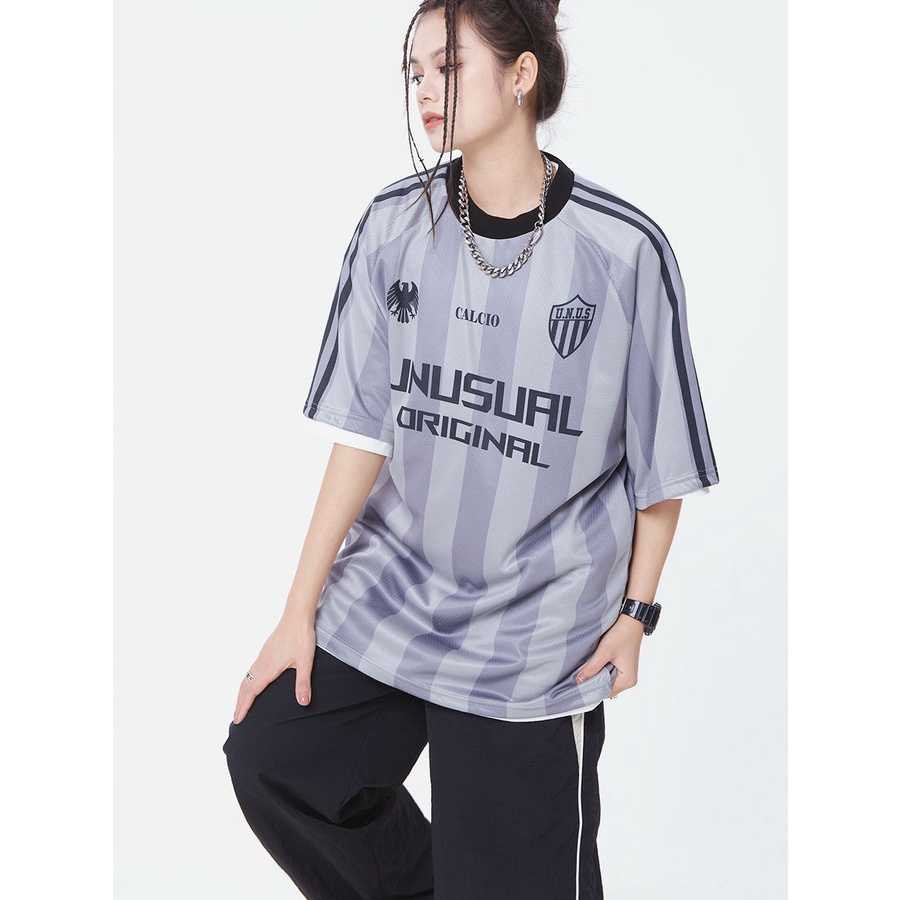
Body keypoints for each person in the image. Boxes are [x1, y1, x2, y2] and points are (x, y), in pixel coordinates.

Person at [222, 1, 720, 897]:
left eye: (449, 67)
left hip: (534, 633)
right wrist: (298, 611)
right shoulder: (392, 226)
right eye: (415, 71)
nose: (426, 90)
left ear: (522, 74)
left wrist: (636, 615)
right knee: (275, 759)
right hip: (394, 596)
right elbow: (363, 432)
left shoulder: (623, 252)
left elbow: (661, 468)